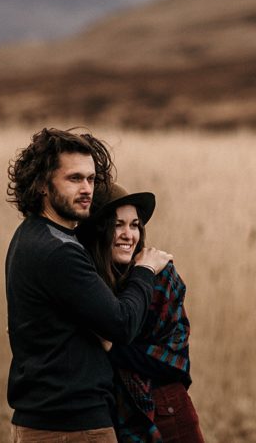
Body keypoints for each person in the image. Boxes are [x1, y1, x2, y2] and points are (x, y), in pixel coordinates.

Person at [5, 128, 173, 442]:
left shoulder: (31, 234)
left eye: (91, 179)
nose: (87, 189)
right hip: (72, 427)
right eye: (74, 179)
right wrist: (145, 270)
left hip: (47, 421)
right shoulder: (59, 251)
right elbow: (121, 324)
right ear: (42, 184)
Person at [78, 183, 206, 443]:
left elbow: (174, 362)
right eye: (118, 225)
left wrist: (112, 347)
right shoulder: (85, 282)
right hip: (109, 417)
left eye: (134, 225)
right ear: (98, 229)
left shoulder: (161, 277)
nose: (129, 234)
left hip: (167, 412)